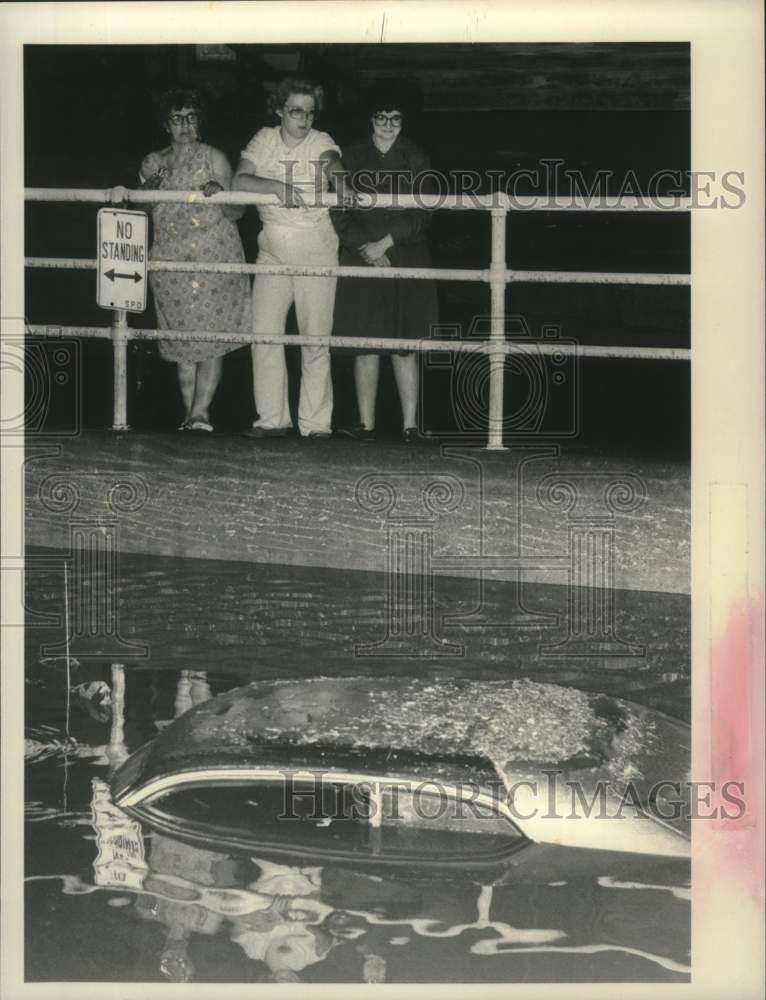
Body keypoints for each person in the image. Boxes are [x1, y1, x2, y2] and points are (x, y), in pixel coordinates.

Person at [232, 78, 353, 438]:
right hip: (271, 251)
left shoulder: (321, 141)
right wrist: (276, 187)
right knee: (265, 335)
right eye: (296, 110)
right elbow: (239, 181)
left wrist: (342, 182)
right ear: (280, 110)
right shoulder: (263, 139)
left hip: (316, 250)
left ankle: (316, 425)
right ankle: (272, 420)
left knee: (315, 338)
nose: (304, 119)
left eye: (309, 112)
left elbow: (332, 163)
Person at [129, 87, 250, 432]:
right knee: (182, 342)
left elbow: (238, 212)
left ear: (200, 121)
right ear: (165, 124)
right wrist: (148, 190)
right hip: (171, 261)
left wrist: (221, 194)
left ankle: (201, 413)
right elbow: (139, 210)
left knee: (211, 339)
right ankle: (190, 417)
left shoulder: (216, 158)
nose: (184, 124)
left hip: (215, 256)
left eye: (191, 117)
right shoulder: (153, 162)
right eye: (177, 118)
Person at [331, 82, 438, 443]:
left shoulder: (416, 155)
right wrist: (365, 248)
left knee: (404, 342)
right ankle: (366, 424)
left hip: (404, 252)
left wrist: (386, 243)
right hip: (361, 256)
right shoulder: (352, 154)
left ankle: (411, 426)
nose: (388, 124)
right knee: (365, 341)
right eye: (381, 117)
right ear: (369, 119)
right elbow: (340, 210)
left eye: (395, 118)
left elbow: (424, 210)